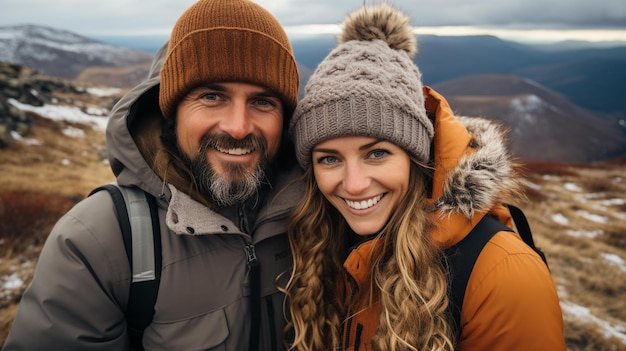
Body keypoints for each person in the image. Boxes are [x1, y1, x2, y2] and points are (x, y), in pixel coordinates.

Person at [3, 0, 300, 350]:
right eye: (211, 96)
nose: (238, 127)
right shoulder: (99, 242)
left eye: (263, 102)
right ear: (171, 111)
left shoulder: (317, 216)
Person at [283, 3, 566, 351]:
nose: (354, 184)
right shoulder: (315, 244)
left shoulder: (504, 274)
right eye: (329, 158)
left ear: (417, 157)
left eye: (377, 153)